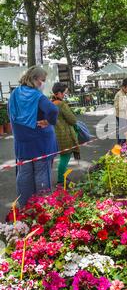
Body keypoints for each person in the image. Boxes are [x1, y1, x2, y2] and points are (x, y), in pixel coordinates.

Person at [8, 67, 59, 208]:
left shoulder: (14, 94)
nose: (43, 83)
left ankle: (24, 207)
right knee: (42, 174)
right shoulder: (37, 96)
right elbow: (53, 110)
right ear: (35, 79)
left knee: (24, 176)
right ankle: (42, 208)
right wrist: (49, 121)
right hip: (41, 142)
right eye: (42, 80)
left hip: (22, 143)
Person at [52, 83, 80, 186]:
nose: (65, 95)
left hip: (56, 134)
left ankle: (62, 177)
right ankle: (60, 180)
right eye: (64, 93)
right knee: (65, 157)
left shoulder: (51, 103)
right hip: (65, 134)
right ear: (59, 93)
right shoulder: (61, 104)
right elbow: (72, 120)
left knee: (63, 157)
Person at [114, 79, 127, 144]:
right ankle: (119, 146)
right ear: (123, 87)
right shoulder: (119, 94)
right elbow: (118, 107)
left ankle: (124, 145)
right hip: (120, 115)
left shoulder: (125, 93)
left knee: (124, 131)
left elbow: (126, 103)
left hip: (125, 114)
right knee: (122, 132)